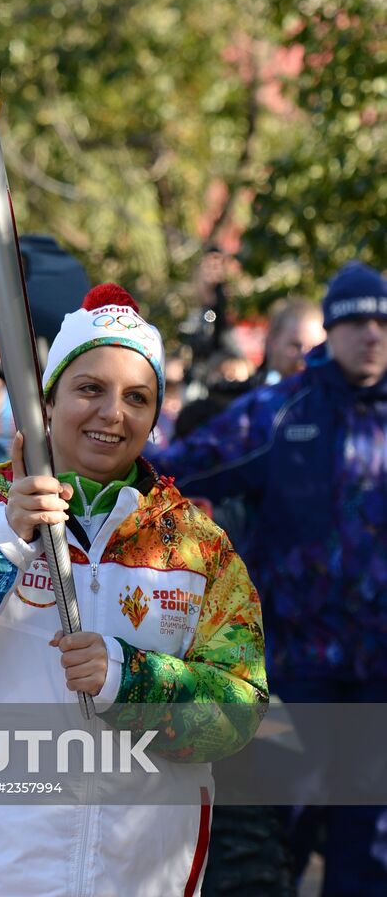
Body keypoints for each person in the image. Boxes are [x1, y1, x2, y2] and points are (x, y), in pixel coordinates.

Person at [0, 284, 267, 897]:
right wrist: (1, 537)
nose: (113, 413)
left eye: (137, 397)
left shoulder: (197, 548)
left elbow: (238, 716)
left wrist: (131, 680)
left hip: (140, 880)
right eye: (90, 388)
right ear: (48, 401)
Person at [147, 261, 387, 895]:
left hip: (381, 671)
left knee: (366, 843)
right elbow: (178, 468)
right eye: (357, 321)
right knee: (285, 832)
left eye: (382, 321)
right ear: (328, 333)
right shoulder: (281, 411)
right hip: (296, 666)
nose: (372, 334)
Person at [257, 296, 325, 385]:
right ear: (272, 342)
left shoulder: (336, 395)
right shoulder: (249, 395)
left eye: (314, 348)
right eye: (296, 346)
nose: (305, 355)